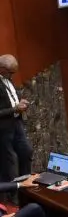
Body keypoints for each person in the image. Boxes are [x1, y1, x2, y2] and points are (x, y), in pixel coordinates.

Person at [0, 54, 33, 183]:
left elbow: (9, 97)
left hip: (16, 124)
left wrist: (19, 102)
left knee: (26, 151)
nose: (12, 75)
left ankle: (26, 186)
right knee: (11, 162)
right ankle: (13, 197)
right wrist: (14, 109)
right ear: (2, 68)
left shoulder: (6, 78)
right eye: (10, 72)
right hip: (3, 129)